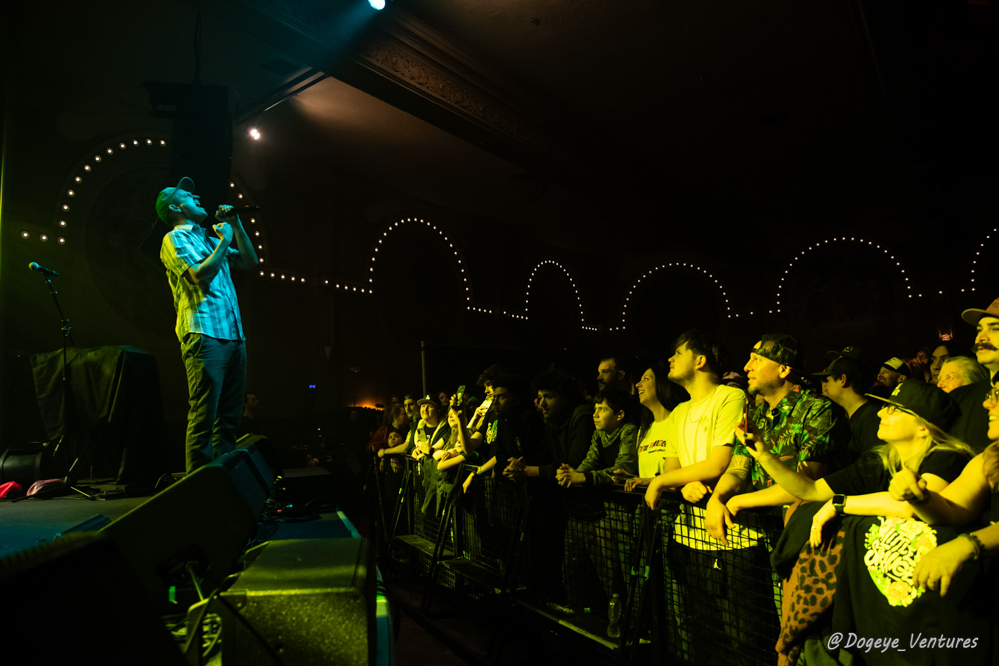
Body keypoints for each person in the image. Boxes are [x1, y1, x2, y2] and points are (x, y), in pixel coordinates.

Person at [743, 381, 972, 546]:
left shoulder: (947, 458)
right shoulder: (880, 461)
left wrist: (839, 504)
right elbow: (809, 489)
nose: (881, 413)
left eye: (894, 409)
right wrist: (763, 455)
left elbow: (912, 505)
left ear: (923, 427)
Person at [157, 177, 258, 473]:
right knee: (204, 416)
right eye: (189, 195)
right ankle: (199, 490)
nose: (198, 196)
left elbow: (250, 262)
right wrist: (225, 240)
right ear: (176, 206)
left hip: (234, 336)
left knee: (228, 419)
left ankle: (224, 483)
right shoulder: (175, 238)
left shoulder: (211, 239)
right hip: (204, 333)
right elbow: (199, 274)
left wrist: (235, 226)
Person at [706, 334, 846, 545]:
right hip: (762, 535)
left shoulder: (819, 409)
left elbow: (806, 484)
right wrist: (716, 499)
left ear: (784, 369)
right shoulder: (756, 414)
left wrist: (738, 501)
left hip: (809, 535)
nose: (746, 367)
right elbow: (738, 468)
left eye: (757, 359)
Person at [623, 361, 685, 492]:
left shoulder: (679, 422)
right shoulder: (644, 430)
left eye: (646, 379)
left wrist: (653, 482)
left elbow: (683, 474)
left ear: (662, 383)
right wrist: (632, 479)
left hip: (674, 507)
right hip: (649, 507)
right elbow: (647, 475)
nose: (638, 384)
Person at [814, 355, 881, 457]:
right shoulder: (846, 417)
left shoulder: (871, 419)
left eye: (827, 379)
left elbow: (874, 466)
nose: (824, 385)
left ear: (843, 379)